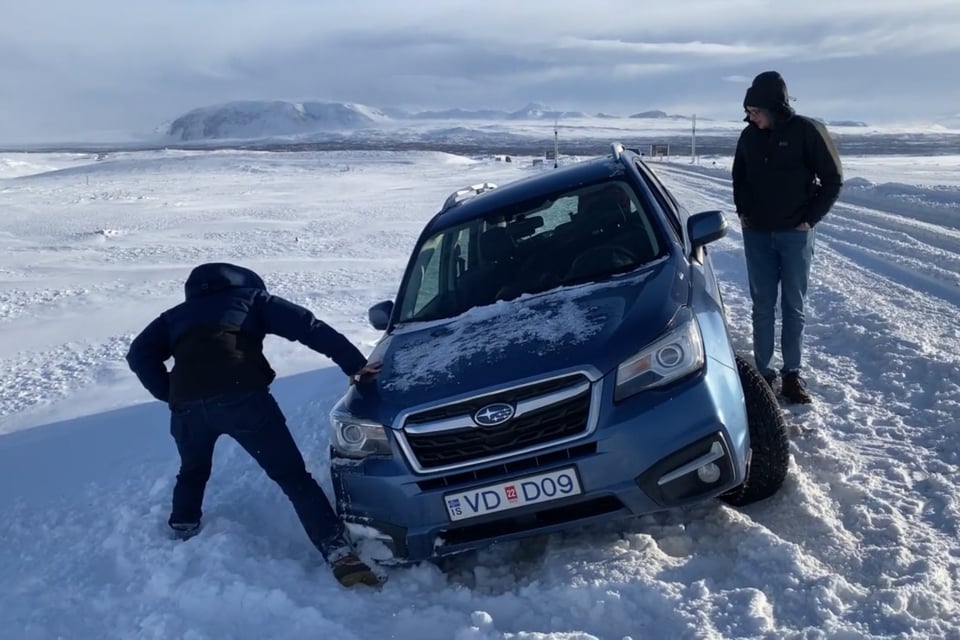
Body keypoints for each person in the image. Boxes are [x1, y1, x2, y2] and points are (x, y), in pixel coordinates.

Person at [125, 262, 383, 587]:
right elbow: (308, 327)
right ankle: (338, 552)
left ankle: (183, 526)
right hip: (242, 399)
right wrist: (355, 364)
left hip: (188, 410)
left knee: (192, 470)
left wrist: (170, 391)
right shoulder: (251, 299)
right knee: (292, 478)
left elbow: (138, 354)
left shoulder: (174, 316)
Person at [732, 71, 843, 404]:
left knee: (793, 306)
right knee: (762, 306)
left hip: (795, 235)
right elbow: (739, 177)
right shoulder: (748, 137)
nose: (751, 117)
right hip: (758, 235)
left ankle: (792, 375)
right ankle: (764, 375)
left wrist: (810, 219)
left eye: (756, 111)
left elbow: (833, 179)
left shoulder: (807, 132)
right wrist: (743, 212)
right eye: (748, 112)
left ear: (774, 107)